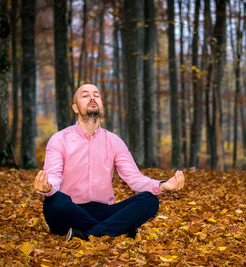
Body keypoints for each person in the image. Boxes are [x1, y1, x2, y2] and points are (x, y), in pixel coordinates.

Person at [34, 84, 185, 241]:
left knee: (150, 200)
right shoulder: (59, 139)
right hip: (70, 210)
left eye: (96, 95)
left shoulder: (114, 141)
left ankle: (88, 235)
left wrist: (162, 185)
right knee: (56, 201)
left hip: (103, 210)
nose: (92, 97)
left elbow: (134, 179)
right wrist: (48, 187)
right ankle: (114, 229)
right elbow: (53, 176)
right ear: (75, 108)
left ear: (102, 106)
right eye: (85, 95)